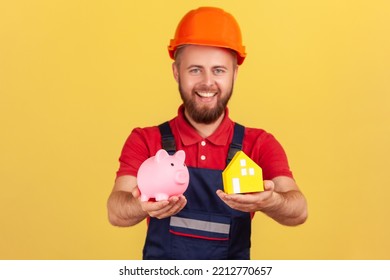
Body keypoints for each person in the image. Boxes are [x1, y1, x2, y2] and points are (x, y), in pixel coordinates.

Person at [107, 6, 307, 260]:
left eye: (219, 70)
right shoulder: (146, 140)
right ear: (176, 72)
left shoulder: (259, 144)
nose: (207, 82)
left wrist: (270, 201)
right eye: (195, 69)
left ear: (235, 73)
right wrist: (140, 205)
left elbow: (299, 210)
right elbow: (116, 210)